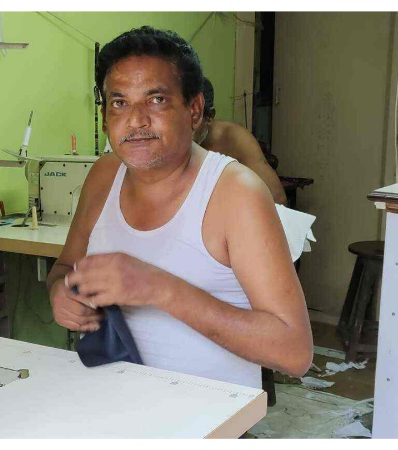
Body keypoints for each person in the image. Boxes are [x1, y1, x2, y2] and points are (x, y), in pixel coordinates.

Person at [46, 26, 312, 388]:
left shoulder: (235, 192)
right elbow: (64, 269)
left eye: (156, 99)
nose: (136, 120)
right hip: (110, 401)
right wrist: (61, 293)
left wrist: (160, 288)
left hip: (209, 412)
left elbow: (294, 352)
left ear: (194, 110)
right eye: (119, 103)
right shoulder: (104, 175)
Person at [194, 77, 288, 205]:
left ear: (210, 116)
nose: (181, 129)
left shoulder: (235, 139)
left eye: (192, 118)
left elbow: (278, 199)